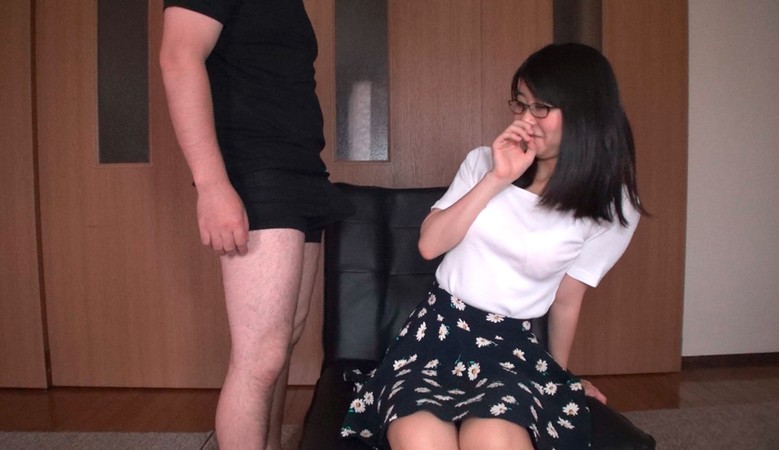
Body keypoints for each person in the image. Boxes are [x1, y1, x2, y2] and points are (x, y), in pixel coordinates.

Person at [340, 42, 645, 449]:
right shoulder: (482, 163)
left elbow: (567, 299)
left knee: (493, 440)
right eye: (520, 104)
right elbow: (430, 245)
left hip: (510, 350)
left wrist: (558, 378)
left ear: (585, 112)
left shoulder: (611, 207)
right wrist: (498, 178)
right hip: (435, 335)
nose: (525, 119)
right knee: (421, 440)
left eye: (541, 107)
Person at [159, 1, 352, 449]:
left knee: (280, 347)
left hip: (301, 168)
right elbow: (178, 57)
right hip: (256, 169)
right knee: (259, 357)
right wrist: (212, 185)